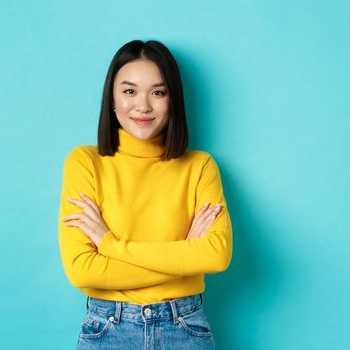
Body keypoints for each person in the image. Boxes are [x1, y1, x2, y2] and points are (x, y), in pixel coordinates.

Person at [57, 39, 232, 349]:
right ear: (111, 98)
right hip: (109, 329)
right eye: (129, 91)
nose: (143, 105)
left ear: (172, 100)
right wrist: (184, 254)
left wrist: (111, 246)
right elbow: (83, 271)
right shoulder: (85, 162)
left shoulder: (200, 166)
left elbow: (216, 256)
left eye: (158, 92)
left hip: (184, 326)